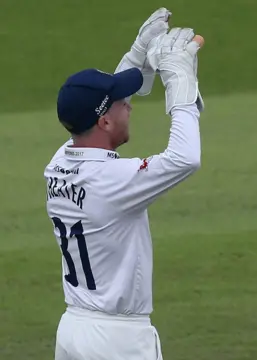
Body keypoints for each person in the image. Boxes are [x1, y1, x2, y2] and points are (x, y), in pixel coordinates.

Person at [44, 8, 205, 360]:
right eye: (121, 104)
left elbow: (101, 110)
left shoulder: (59, 163)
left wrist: (137, 56)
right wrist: (180, 81)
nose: (129, 108)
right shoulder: (112, 181)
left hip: (73, 328)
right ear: (103, 121)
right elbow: (185, 157)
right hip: (117, 341)